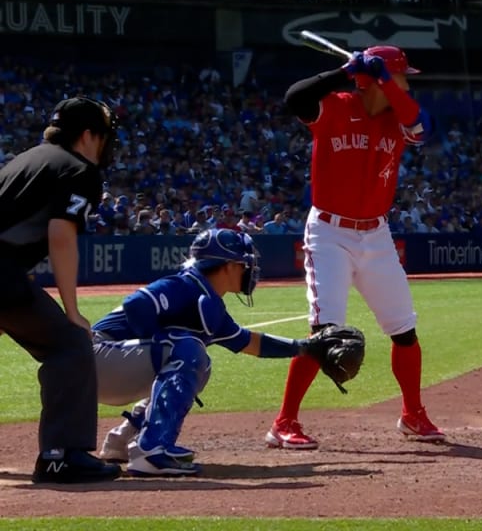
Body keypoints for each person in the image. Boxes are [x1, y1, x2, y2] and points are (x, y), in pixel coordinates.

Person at [265, 44, 442, 450]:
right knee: (325, 332)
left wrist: (382, 78)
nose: (405, 83)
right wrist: (345, 71)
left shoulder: (399, 116)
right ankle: (283, 421)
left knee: (404, 329)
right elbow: (295, 97)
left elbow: (421, 126)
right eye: (401, 75)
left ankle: (413, 414)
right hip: (330, 233)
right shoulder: (336, 105)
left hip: (376, 234)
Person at [91, 228, 347, 476]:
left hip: (109, 367)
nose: (249, 270)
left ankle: (122, 441)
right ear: (228, 266)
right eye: (244, 264)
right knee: (187, 351)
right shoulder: (185, 284)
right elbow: (136, 305)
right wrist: (162, 341)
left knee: (194, 362)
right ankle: (152, 451)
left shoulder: (209, 300)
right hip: (94, 357)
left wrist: (305, 349)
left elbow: (249, 343)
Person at [0, 96, 122, 484]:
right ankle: (61, 456)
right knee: (69, 344)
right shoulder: (79, 169)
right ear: (88, 136)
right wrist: (73, 310)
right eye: (103, 137)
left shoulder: (27, 159)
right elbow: (61, 235)